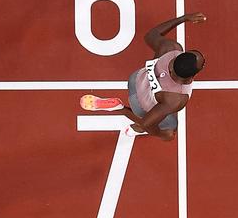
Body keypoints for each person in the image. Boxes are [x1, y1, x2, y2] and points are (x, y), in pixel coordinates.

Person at [79, 11, 207, 140]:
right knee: (170, 128)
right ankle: (121, 109)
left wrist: (183, 18)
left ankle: (135, 119)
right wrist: (161, 134)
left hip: (135, 80)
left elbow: (151, 35)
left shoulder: (170, 48)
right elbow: (147, 124)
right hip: (139, 105)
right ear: (191, 77)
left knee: (159, 114)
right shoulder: (177, 98)